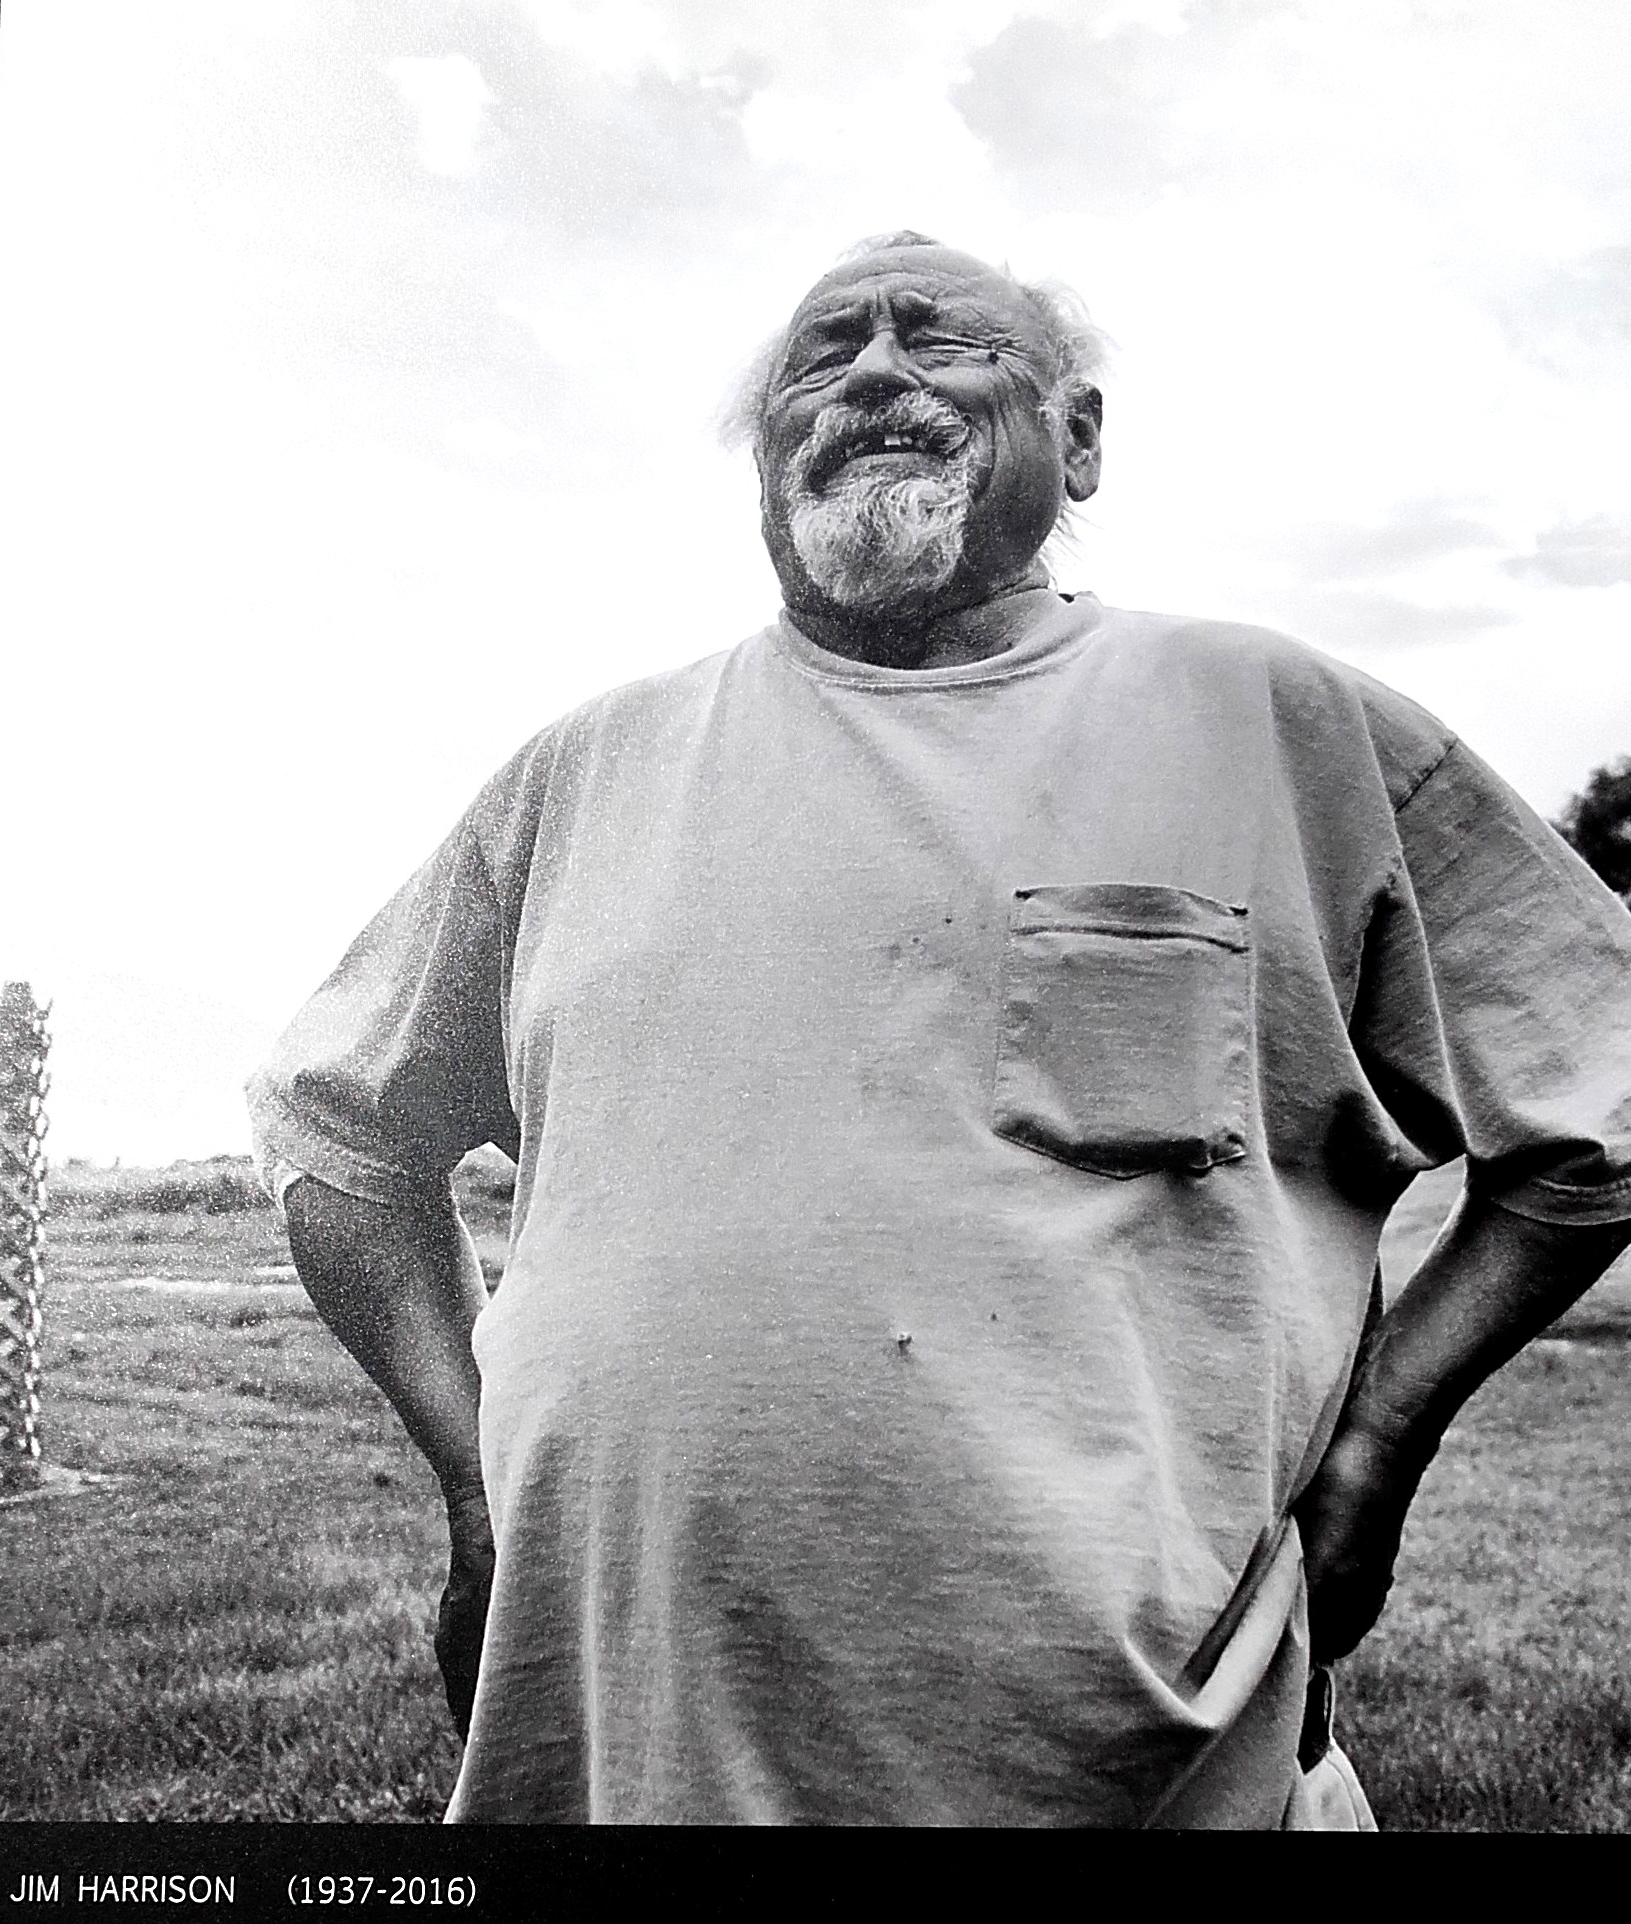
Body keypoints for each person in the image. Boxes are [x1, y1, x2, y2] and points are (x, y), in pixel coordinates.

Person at [248, 231, 1631, 1827]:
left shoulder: (1277, 723)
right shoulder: (589, 769)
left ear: (1080, 439)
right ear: (766, 452)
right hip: (625, 1753)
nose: (871, 374)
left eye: (936, 338)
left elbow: (1600, 1117)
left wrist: (1381, 1437)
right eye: (819, 354)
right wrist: (481, 1484)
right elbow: (337, 1123)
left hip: (1128, 1764)